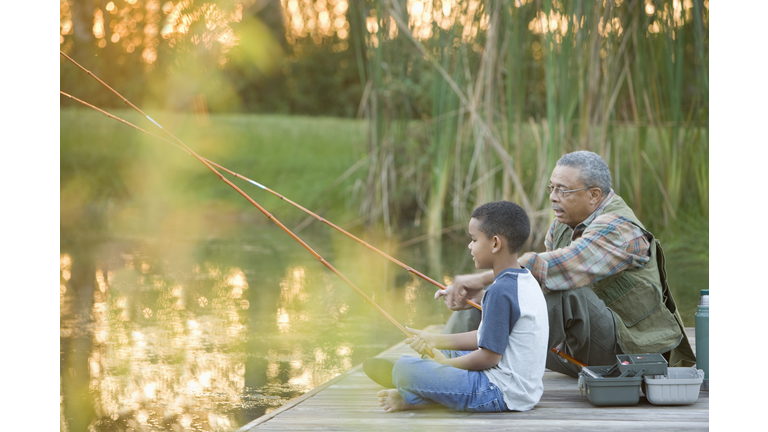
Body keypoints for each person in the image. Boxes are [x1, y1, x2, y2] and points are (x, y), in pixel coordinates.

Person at [437, 150, 695, 377]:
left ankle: (453, 371)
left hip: (628, 354)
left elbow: (560, 268)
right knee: (492, 296)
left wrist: (482, 278)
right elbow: (531, 290)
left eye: (563, 190)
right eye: (552, 188)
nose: (553, 197)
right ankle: (433, 361)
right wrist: (486, 295)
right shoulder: (560, 226)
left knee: (564, 293)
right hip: (575, 352)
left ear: (594, 195)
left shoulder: (618, 227)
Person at [364, 201, 549, 413]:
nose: (469, 246)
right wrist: (434, 340)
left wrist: (443, 367)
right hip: (523, 389)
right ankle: (421, 390)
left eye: (474, 239)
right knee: (444, 351)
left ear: (495, 243)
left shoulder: (500, 292)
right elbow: (485, 337)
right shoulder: (523, 279)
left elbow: (489, 357)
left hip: (499, 392)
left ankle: (413, 387)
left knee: (406, 368)